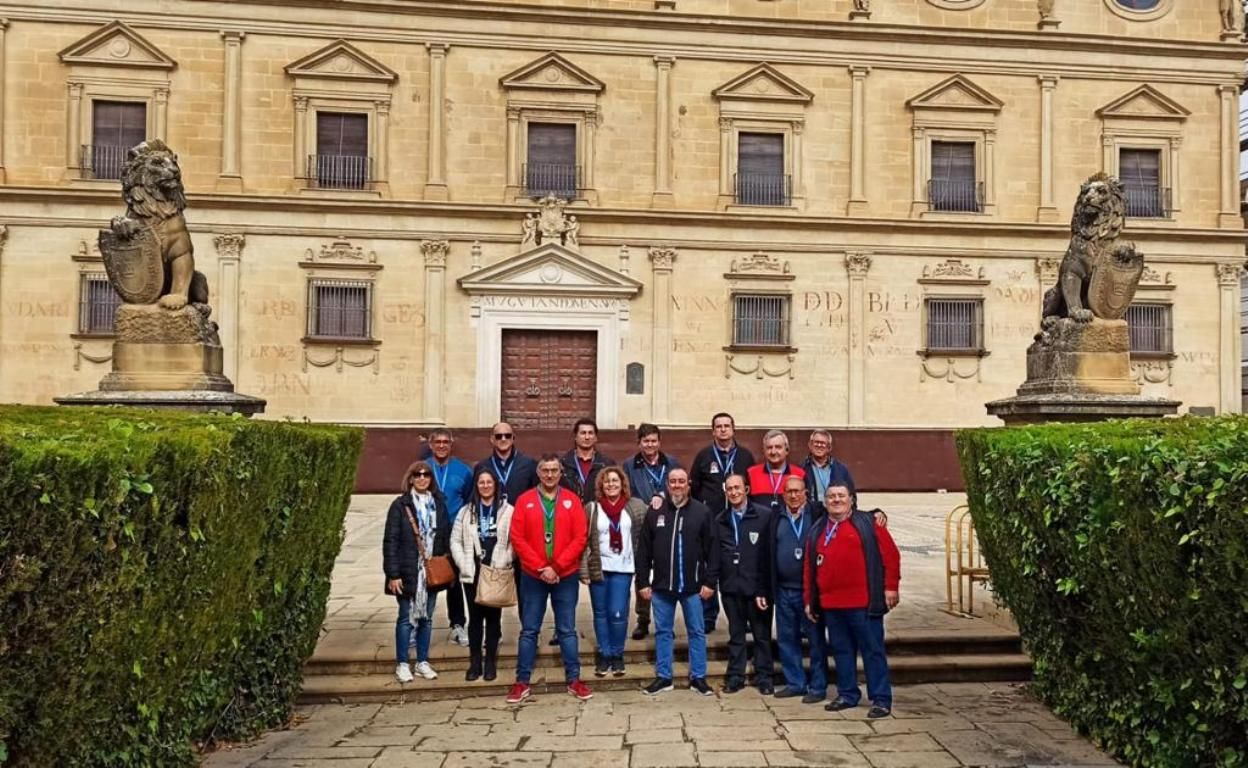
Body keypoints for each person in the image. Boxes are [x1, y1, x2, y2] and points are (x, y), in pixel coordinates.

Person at [805, 483, 901, 719]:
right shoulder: (818, 529)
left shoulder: (868, 524)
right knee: (842, 652)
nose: (836, 500)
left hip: (863, 603)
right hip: (832, 605)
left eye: (841, 496)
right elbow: (809, 568)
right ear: (825, 501)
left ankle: (880, 698)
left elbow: (891, 555)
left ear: (851, 499)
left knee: (873, 651)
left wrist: (890, 587)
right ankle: (848, 693)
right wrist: (810, 600)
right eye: (831, 496)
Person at [506, 454, 593, 704]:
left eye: (554, 470)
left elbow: (580, 537)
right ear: (539, 472)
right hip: (533, 576)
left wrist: (556, 566)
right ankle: (521, 682)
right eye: (545, 470)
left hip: (564, 575)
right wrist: (541, 567)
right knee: (529, 630)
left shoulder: (572, 500)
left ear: (560, 473)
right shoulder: (524, 501)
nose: (550, 475)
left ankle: (574, 680)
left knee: (566, 629)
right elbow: (518, 538)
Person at [635, 469, 718, 697]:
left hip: (693, 587)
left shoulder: (702, 512)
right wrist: (643, 582)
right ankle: (664, 677)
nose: (677, 485)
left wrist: (710, 582)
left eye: (681, 481)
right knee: (663, 632)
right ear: (667, 484)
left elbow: (713, 551)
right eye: (673, 481)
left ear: (688, 485)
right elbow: (643, 551)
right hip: (662, 587)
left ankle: (698, 678)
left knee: (697, 632)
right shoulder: (656, 512)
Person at [383, 461, 451, 683]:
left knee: (427, 618)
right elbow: (391, 541)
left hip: (430, 571)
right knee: (406, 618)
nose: (422, 478)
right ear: (410, 478)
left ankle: (422, 661)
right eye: (417, 475)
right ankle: (403, 663)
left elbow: (445, 535)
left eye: (426, 475)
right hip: (408, 570)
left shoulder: (438, 503)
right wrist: (393, 574)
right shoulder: (400, 505)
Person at [689, 412, 754, 633]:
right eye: (719, 426)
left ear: (734, 429)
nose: (723, 429)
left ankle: (742, 617)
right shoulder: (704, 456)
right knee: (710, 569)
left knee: (738, 568)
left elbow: (750, 488)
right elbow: (695, 489)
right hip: (711, 522)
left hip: (738, 521)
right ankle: (709, 615)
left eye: (727, 426)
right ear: (713, 431)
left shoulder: (745, 456)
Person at [580, 466, 647, 678]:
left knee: (617, 612)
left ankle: (618, 653)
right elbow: (584, 541)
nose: (611, 484)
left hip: (623, 567)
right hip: (599, 566)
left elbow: (646, 533)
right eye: (607, 481)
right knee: (600, 613)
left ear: (622, 484)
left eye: (615, 481)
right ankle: (604, 653)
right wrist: (583, 570)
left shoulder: (635, 506)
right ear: (601, 485)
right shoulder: (592, 508)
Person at [450, 466, 514, 682]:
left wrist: (505, 559)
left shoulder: (508, 511)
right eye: (481, 483)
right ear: (476, 486)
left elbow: (514, 541)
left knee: (494, 619)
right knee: (475, 619)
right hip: (473, 571)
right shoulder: (466, 511)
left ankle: (491, 662)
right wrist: (462, 563)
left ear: (495, 485)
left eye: (489, 482)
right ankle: (475, 661)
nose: (485, 486)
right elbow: (455, 540)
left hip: (496, 570)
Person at [715, 473, 774, 695]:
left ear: (746, 489)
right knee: (736, 635)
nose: (733, 492)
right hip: (731, 588)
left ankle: (765, 676)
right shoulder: (720, 520)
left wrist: (763, 588)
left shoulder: (764, 516)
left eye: (737, 488)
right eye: (729, 489)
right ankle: (736, 676)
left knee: (762, 635)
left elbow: (767, 556)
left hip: (757, 590)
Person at [624, 423, 682, 640]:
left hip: (669, 524)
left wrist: (663, 497)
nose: (650, 444)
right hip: (642, 524)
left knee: (666, 572)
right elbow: (626, 492)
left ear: (660, 441)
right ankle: (643, 619)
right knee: (643, 574)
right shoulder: (630, 465)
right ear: (639, 443)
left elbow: (681, 489)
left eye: (653, 440)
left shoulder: (672, 463)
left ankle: (664, 621)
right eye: (645, 441)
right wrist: (642, 506)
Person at [772, 476, 826, 703]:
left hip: (808, 592)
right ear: (783, 494)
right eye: (789, 491)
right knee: (786, 639)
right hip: (783, 590)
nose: (793, 495)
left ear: (806, 493)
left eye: (798, 491)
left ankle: (818, 686)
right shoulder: (775, 517)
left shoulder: (818, 516)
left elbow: (847, 507)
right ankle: (795, 683)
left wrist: (877, 512)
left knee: (815, 640)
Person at [429, 427, 475, 648]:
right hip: (430, 533)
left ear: (451, 444)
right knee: (426, 577)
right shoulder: (423, 469)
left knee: (456, 579)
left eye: (445, 442)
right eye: (437, 442)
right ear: (431, 445)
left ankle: (458, 624)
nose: (441, 445)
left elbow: (468, 499)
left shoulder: (463, 471)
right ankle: (420, 624)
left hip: (456, 533)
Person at [474, 421, 538, 507]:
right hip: (494, 517)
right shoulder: (482, 466)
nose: (503, 439)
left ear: (513, 438)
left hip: (521, 516)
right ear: (492, 440)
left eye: (507, 436)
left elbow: (536, 496)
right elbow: (475, 497)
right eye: (498, 436)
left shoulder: (529, 464)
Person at [746, 429, 806, 513]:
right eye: (769, 448)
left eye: (778, 447)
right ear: (763, 451)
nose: (773, 452)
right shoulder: (751, 473)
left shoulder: (800, 474)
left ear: (787, 450)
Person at [560, 417, 615, 504]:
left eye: (590, 433)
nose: (587, 437)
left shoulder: (607, 464)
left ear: (596, 438)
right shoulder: (563, 463)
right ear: (575, 437)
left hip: (597, 511)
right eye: (583, 433)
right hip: (570, 511)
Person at [802, 429, 855, 505]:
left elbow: (852, 497)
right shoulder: (802, 469)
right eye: (816, 442)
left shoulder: (841, 470)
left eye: (823, 443)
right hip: (813, 515)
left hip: (835, 513)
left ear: (829, 447)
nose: (819, 445)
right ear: (810, 445)